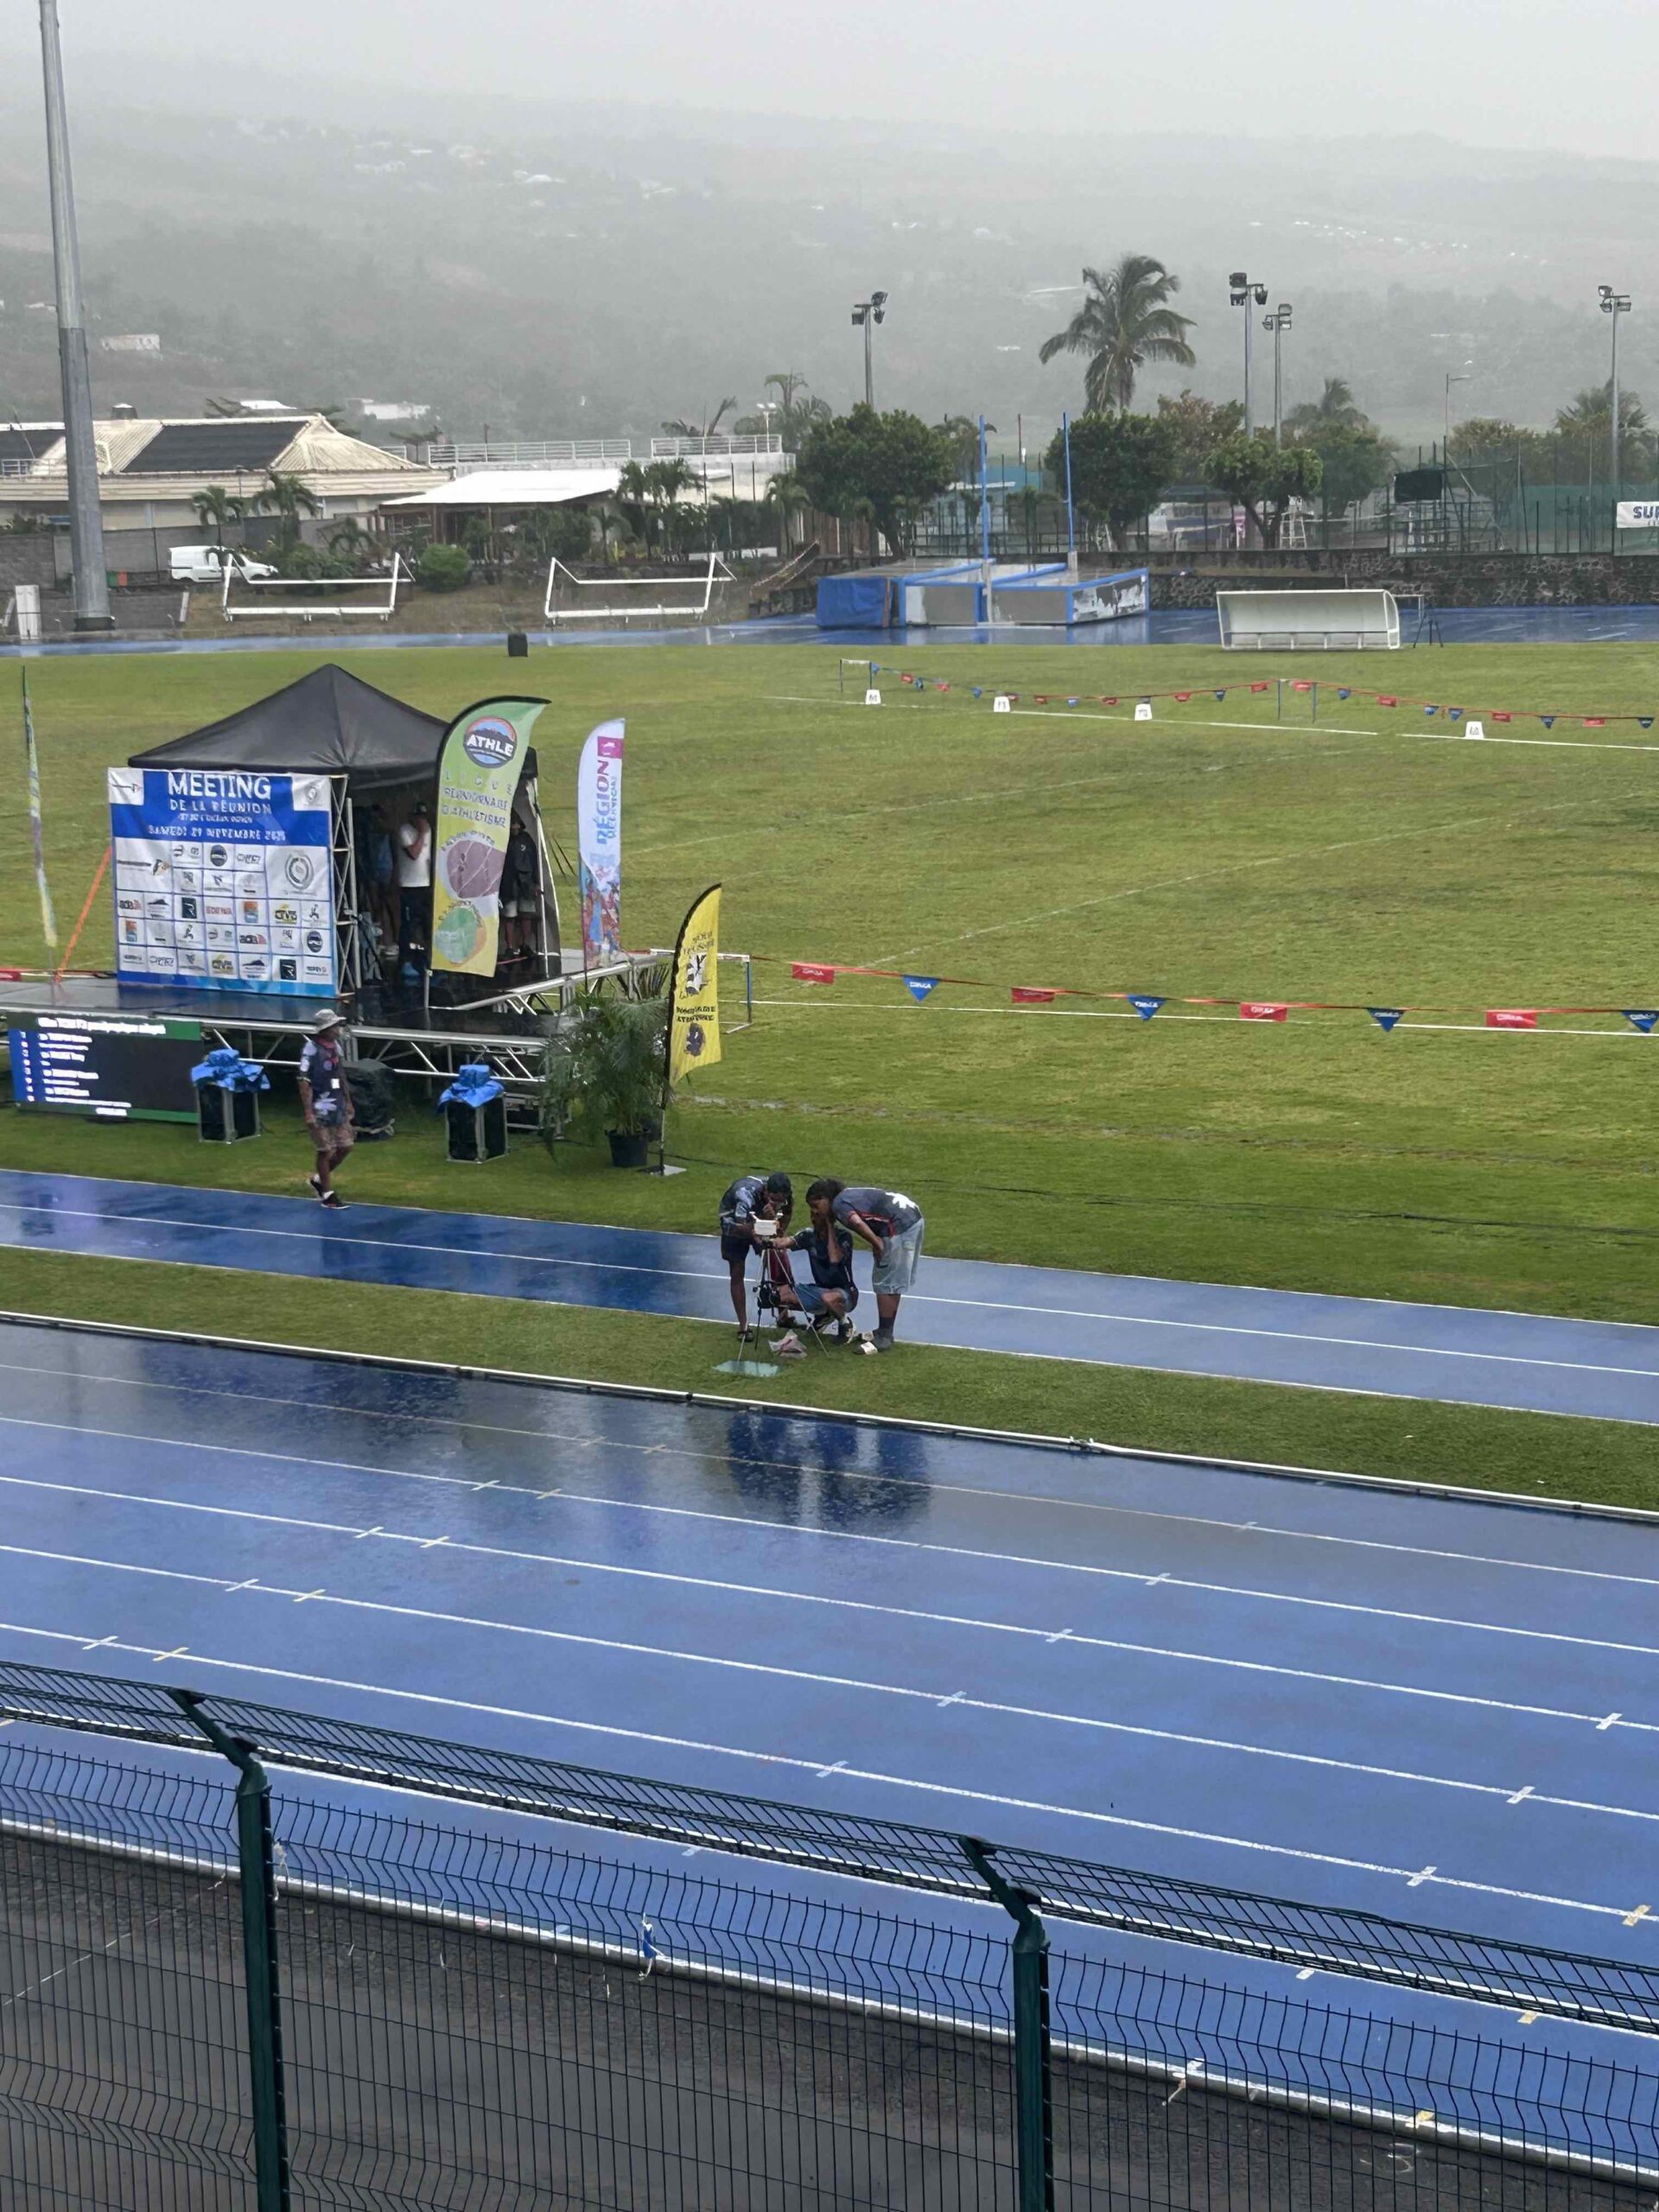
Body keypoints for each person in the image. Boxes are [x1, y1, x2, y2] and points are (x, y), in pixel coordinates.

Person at [810, 1178, 925, 1351]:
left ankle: (885, 1336)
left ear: (826, 1198)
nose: (815, 1211)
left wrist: (877, 1244)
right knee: (890, 1279)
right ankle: (884, 1330)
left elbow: (856, 1222)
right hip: (911, 1218)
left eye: (815, 1205)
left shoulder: (839, 1205)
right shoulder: (848, 1195)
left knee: (885, 1281)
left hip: (899, 1225)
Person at [774, 1194, 859, 1345]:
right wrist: (769, 1236)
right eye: (812, 1215)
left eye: (818, 1216)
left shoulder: (843, 1236)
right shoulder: (809, 1235)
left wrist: (829, 1227)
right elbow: (786, 1242)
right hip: (820, 1290)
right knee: (779, 1295)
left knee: (828, 1298)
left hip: (845, 1293)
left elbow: (834, 1257)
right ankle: (825, 1314)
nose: (813, 1219)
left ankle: (845, 1324)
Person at [718, 1171, 793, 1336]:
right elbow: (744, 1228)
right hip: (734, 1225)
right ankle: (743, 1326)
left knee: (777, 1257)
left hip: (759, 1220)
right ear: (766, 1191)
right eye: (773, 1200)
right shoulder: (744, 1195)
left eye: (780, 1201)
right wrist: (764, 1222)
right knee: (737, 1271)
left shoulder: (785, 1196)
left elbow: (787, 1213)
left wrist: (780, 1232)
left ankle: (783, 1315)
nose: (777, 1204)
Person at [297, 1008, 354, 1209]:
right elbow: (303, 1080)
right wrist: (308, 1111)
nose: (338, 1029)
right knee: (325, 1149)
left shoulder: (336, 1047)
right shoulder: (310, 1049)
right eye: (335, 1026)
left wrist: (347, 1100)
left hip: (337, 1103)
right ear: (326, 1028)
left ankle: (319, 1180)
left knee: (346, 1145)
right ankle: (327, 1194)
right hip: (319, 1106)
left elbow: (340, 1074)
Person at [397, 801, 432, 976]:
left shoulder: (429, 831)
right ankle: (406, 960)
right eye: (418, 817)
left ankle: (427, 960)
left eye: (424, 817)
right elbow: (414, 853)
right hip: (410, 885)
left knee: (427, 924)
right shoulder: (405, 831)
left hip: (426, 884)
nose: (422, 821)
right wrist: (422, 834)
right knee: (409, 925)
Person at [499, 817, 538, 963]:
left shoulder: (527, 840)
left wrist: (536, 882)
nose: (514, 827)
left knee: (526, 915)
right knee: (509, 915)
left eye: (515, 824)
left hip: (526, 883)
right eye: (511, 825)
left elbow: (534, 862)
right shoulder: (503, 838)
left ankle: (525, 945)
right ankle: (509, 947)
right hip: (508, 882)